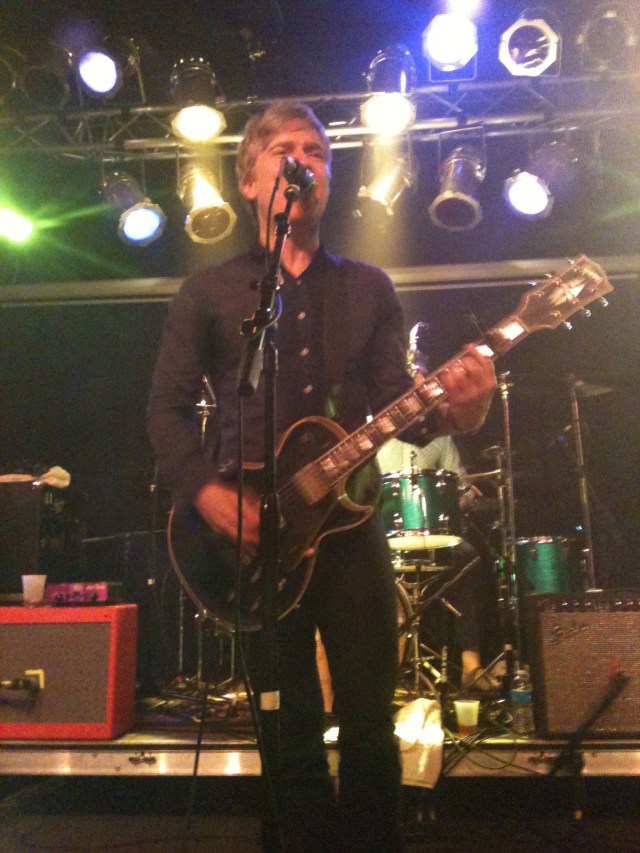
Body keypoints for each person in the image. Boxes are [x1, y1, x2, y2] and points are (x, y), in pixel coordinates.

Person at [147, 102, 496, 853]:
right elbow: (166, 415)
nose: (303, 159)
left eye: (318, 150)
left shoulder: (368, 287)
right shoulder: (207, 294)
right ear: (249, 180)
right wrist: (207, 493)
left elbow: (395, 403)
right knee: (286, 724)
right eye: (284, 149)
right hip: (248, 536)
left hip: (349, 524)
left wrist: (455, 414)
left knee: (371, 719)